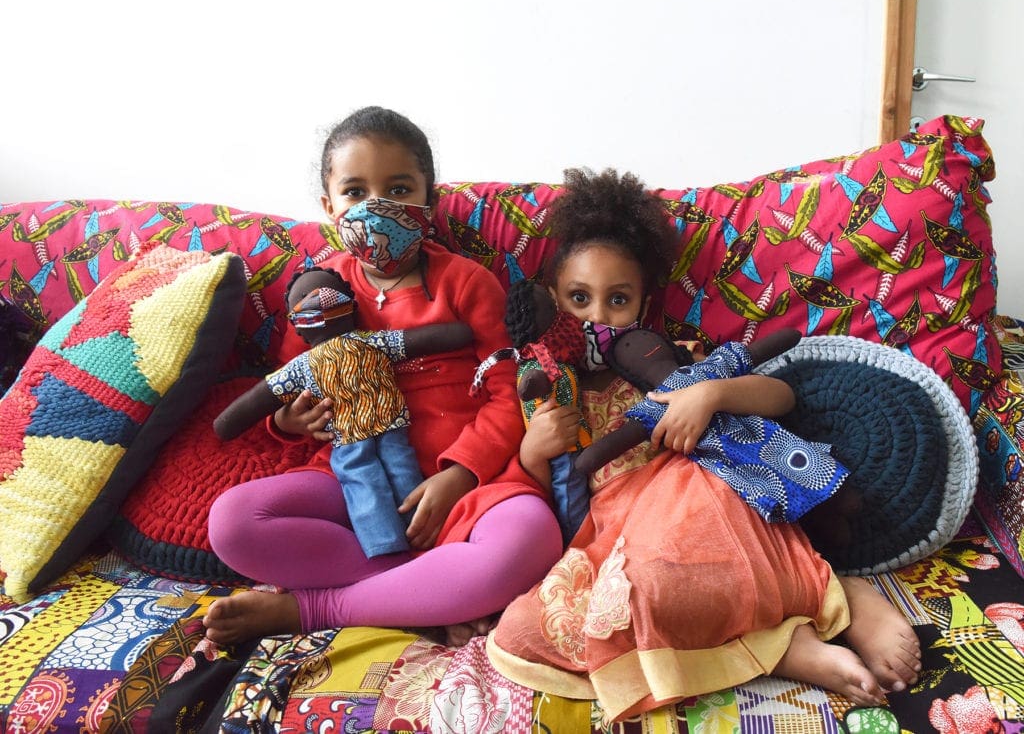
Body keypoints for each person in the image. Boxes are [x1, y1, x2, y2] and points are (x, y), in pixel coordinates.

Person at [486, 168, 922, 722]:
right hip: (614, 531)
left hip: (700, 495)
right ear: (553, 302)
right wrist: (534, 451)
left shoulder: (668, 359)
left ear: (642, 305)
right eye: (579, 299)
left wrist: (710, 394)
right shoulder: (545, 389)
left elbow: (781, 396)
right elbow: (540, 500)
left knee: (686, 553)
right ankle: (782, 645)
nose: (597, 316)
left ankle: (840, 596)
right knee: (536, 625)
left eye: (617, 300)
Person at [203, 106, 562, 647]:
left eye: (398, 188)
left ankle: (314, 608)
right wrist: (290, 421)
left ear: (429, 200)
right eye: (355, 191)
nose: (377, 207)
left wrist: (460, 474)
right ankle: (428, 592)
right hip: (355, 485)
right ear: (328, 206)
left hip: (470, 485)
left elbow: (508, 394)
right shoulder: (319, 294)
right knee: (232, 521)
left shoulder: (466, 283)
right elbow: (290, 385)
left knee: (532, 540)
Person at [212, 266, 474, 558]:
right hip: (387, 423)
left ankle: (387, 544)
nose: (320, 303)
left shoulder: (302, 367)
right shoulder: (373, 343)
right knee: (395, 470)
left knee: (363, 481)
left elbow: (257, 400)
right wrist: (283, 420)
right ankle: (411, 536)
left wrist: (226, 425)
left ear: (298, 326)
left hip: (350, 435)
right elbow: (425, 339)